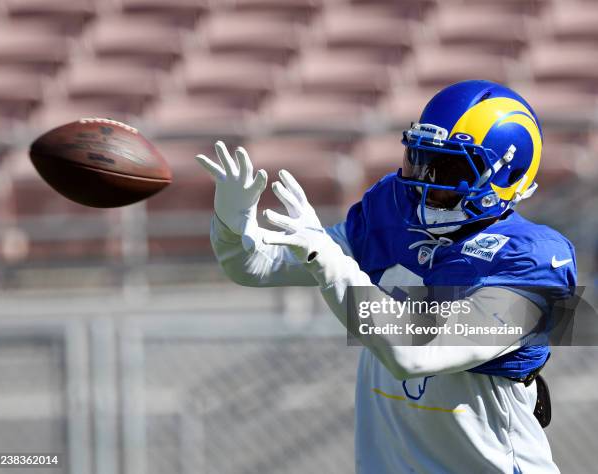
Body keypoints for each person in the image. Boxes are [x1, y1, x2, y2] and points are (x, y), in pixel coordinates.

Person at [196, 80, 577, 473]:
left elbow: (414, 352)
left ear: (505, 174)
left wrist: (329, 261)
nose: (426, 183)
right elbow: (256, 266)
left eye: (448, 168)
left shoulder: (533, 262)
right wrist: (234, 223)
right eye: (422, 159)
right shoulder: (393, 211)